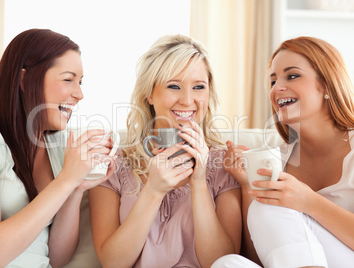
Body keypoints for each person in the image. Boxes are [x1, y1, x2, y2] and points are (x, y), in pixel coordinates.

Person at [0, 29, 116, 267]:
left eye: (81, 82)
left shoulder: (57, 145)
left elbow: (56, 258)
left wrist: (75, 189)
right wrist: (65, 180)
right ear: (24, 80)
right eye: (68, 79)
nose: (80, 94)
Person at [88, 34, 242, 267]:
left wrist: (199, 181)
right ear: (150, 94)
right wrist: (153, 190)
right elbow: (113, 262)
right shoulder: (113, 166)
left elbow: (222, 262)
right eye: (174, 86)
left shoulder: (225, 165)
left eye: (198, 87)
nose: (187, 100)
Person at [214, 36, 354, 268]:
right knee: (228, 263)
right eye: (273, 81)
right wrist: (247, 185)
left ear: (326, 84)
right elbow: (264, 258)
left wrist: (309, 201)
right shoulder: (277, 159)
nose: (277, 88)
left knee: (270, 203)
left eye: (292, 75)